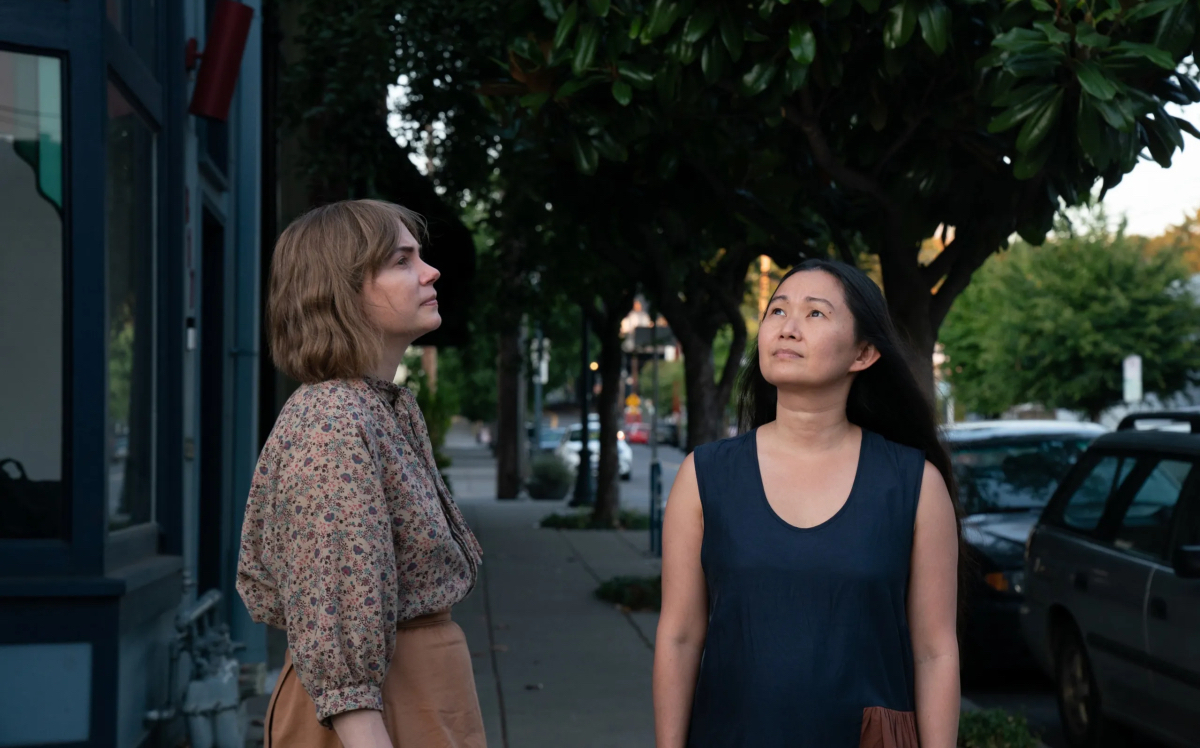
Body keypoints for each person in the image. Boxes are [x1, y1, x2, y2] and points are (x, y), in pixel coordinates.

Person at [653, 259, 962, 748]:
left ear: (863, 352)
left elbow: (935, 651)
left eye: (815, 314)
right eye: (777, 310)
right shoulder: (704, 476)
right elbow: (680, 636)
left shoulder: (914, 484)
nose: (788, 328)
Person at [237, 200, 486, 748]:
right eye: (402, 261)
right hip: (383, 707)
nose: (430, 271)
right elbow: (334, 619)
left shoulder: (377, 408)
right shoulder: (333, 421)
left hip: (417, 692)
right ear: (342, 291)